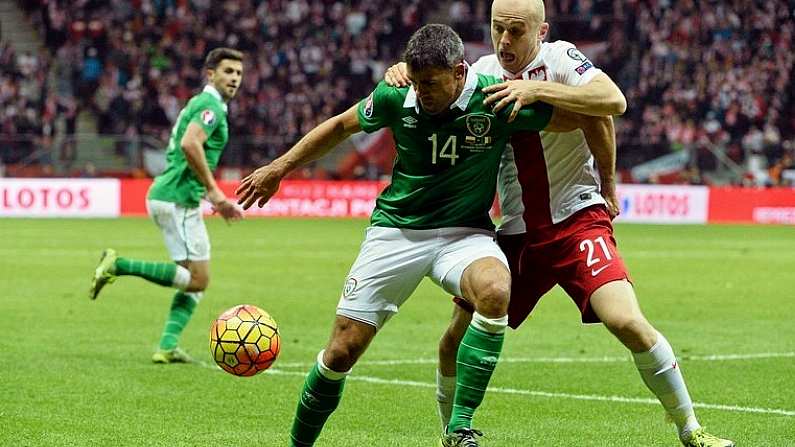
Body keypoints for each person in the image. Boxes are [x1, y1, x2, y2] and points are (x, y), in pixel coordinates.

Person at [385, 1, 735, 446]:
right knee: (455, 336)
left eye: (516, 31)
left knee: (627, 321)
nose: (505, 41)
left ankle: (691, 429)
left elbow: (611, 103)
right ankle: (452, 433)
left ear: (541, 31)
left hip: (577, 221)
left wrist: (542, 95)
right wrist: (402, 72)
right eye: (497, 30)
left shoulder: (562, 59)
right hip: (515, 235)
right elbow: (433, 83)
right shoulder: (481, 72)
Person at [236, 24, 593, 447]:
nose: (423, 91)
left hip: (466, 234)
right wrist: (278, 168)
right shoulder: (395, 94)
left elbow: (585, 115)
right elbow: (338, 127)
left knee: (496, 291)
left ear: (460, 72)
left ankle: (459, 428)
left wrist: (540, 93)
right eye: (418, 81)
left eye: (432, 83)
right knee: (340, 353)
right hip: (396, 232)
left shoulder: (495, 98)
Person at [89, 48, 244, 364]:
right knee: (200, 279)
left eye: (239, 74)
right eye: (228, 71)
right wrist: (214, 192)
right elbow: (190, 143)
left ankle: (167, 346)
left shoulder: (206, 104)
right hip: (178, 200)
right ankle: (118, 265)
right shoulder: (210, 105)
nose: (235, 79)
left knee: (192, 282)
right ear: (210, 74)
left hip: (171, 195)